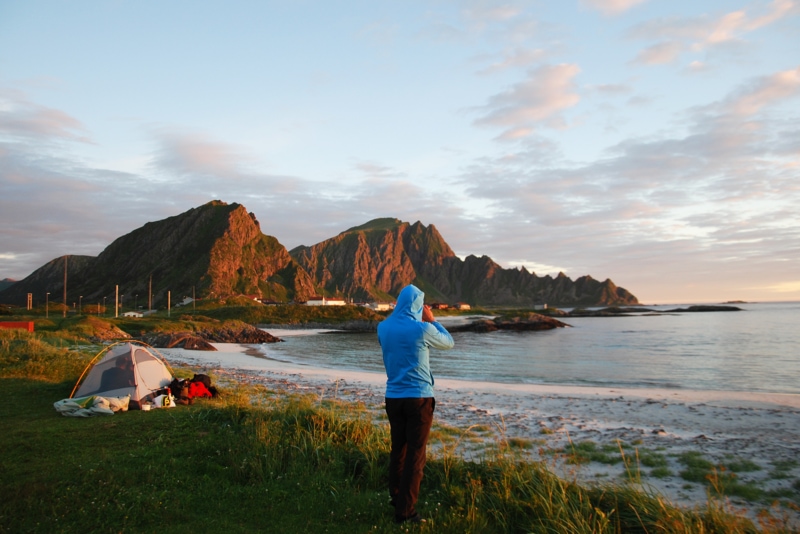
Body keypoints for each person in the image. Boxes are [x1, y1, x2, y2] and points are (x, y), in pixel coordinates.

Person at [377, 284, 454, 524]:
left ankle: (397, 497)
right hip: (419, 398)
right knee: (416, 456)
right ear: (418, 306)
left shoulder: (383, 327)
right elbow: (448, 342)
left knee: (398, 450)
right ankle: (406, 512)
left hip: (393, 397)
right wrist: (432, 319)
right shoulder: (422, 329)